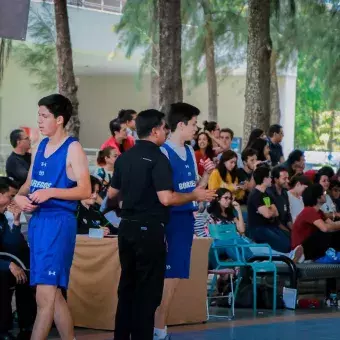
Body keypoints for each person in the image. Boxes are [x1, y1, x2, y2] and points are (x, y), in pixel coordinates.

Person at [107, 109, 215, 340]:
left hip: (127, 227)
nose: (166, 132)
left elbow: (112, 193)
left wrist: (124, 205)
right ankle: (148, 334)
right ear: (155, 130)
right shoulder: (159, 157)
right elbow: (166, 198)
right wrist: (193, 196)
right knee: (148, 291)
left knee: (127, 286)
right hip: (151, 228)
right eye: (164, 128)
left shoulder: (125, 157)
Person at [14, 94, 91, 340]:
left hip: (59, 224)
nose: (39, 120)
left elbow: (85, 190)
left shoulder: (73, 148)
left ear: (59, 119)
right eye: (38, 115)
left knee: (44, 298)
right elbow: (28, 184)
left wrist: (50, 192)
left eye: (44, 116)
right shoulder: (40, 148)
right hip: (37, 224)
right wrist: (19, 197)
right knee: (54, 296)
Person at [154, 103, 215, 340]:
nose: (196, 129)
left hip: (186, 220)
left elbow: (194, 189)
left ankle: (159, 326)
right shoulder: (163, 153)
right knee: (168, 277)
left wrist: (207, 176)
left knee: (175, 276)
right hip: (169, 220)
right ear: (181, 125)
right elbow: (166, 196)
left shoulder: (189, 152)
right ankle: (158, 328)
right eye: (193, 124)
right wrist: (195, 195)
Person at [0, 177, 36, 340]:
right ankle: (2, 330)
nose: (13, 200)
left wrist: (15, 222)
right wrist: (8, 265)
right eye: (11, 196)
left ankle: (26, 325)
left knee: (26, 272)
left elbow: (13, 245)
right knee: (4, 275)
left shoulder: (2, 218)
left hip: (4, 261)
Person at [247, 166, 291, 253]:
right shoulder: (255, 195)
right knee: (284, 246)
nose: (271, 179)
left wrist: (269, 211)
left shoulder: (266, 194)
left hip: (270, 226)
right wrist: (270, 211)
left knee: (289, 243)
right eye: (270, 177)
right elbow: (268, 214)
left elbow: (276, 212)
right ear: (264, 179)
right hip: (258, 229)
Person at [292, 184, 340, 261]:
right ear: (318, 198)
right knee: (322, 233)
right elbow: (325, 228)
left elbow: (333, 225)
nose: (325, 195)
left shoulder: (319, 212)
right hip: (303, 247)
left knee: (335, 233)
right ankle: (298, 256)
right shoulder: (309, 211)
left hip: (312, 247)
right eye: (323, 193)